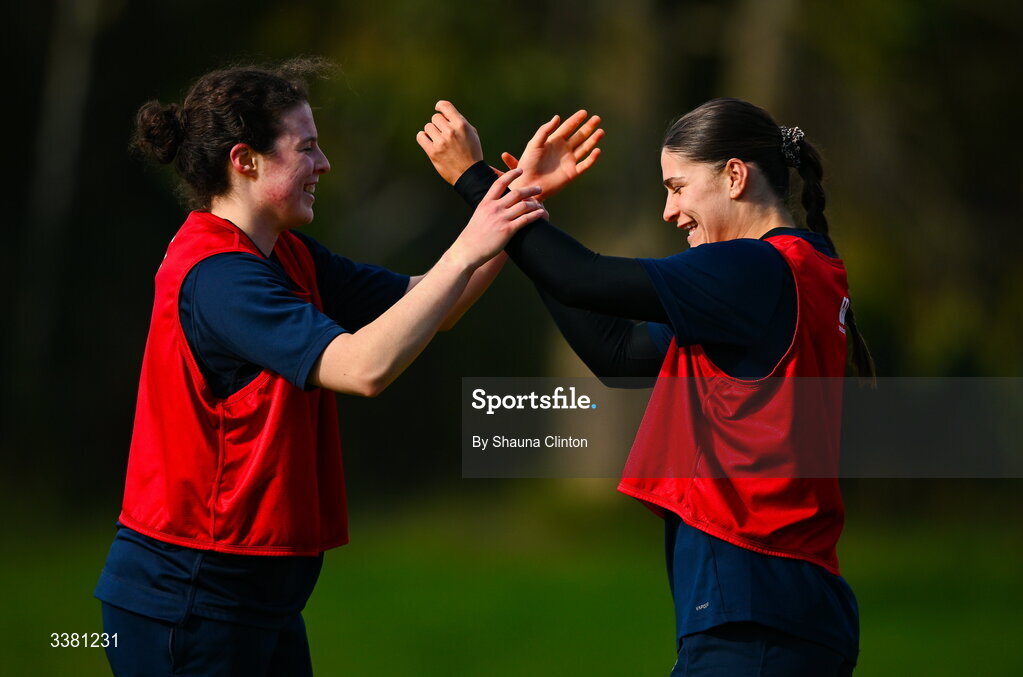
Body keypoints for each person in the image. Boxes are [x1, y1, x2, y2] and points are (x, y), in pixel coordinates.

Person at [93, 60, 546, 677]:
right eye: (306, 148)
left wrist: (517, 203)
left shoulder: (286, 255)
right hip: (190, 599)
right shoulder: (221, 277)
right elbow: (365, 368)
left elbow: (432, 305)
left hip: (254, 597)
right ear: (244, 160)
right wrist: (471, 240)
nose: (324, 163)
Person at [418, 98, 874, 675]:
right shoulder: (789, 273)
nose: (669, 211)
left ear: (734, 177)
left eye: (678, 187)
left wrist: (476, 179)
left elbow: (582, 277)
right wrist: (521, 210)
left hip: (756, 616)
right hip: (775, 611)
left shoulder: (755, 271)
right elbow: (618, 353)